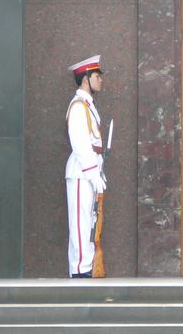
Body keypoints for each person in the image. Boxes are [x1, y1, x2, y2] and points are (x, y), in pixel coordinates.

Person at [65, 55, 106, 278]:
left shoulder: (88, 106)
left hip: (90, 170)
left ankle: (87, 266)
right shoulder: (79, 106)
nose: (100, 80)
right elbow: (80, 143)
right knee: (81, 223)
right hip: (81, 172)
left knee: (90, 222)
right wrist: (92, 173)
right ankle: (81, 269)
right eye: (96, 76)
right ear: (85, 79)